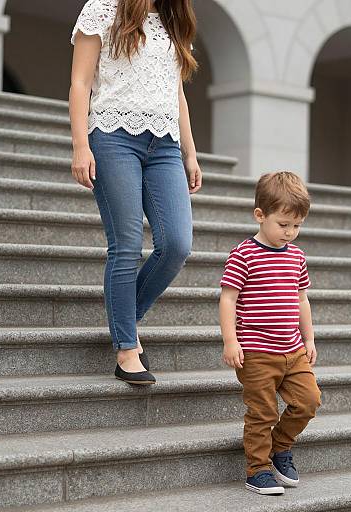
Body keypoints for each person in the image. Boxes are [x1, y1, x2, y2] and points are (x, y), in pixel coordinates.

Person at [69, 0, 202, 385]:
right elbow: (80, 82)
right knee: (126, 244)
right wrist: (81, 145)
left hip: (164, 145)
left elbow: (176, 93)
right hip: (112, 137)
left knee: (176, 244)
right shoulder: (102, 9)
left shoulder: (172, 20)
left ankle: (122, 317)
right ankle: (127, 348)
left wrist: (190, 153)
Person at [219, 171, 321, 495]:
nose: (290, 233)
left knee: (309, 400)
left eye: (297, 226)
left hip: (293, 351)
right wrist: (230, 340)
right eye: (283, 224)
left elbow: (301, 299)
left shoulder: (297, 257)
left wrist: (309, 338)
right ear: (259, 216)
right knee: (262, 412)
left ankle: (279, 447)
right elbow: (228, 299)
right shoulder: (243, 254)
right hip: (256, 353)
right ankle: (257, 469)